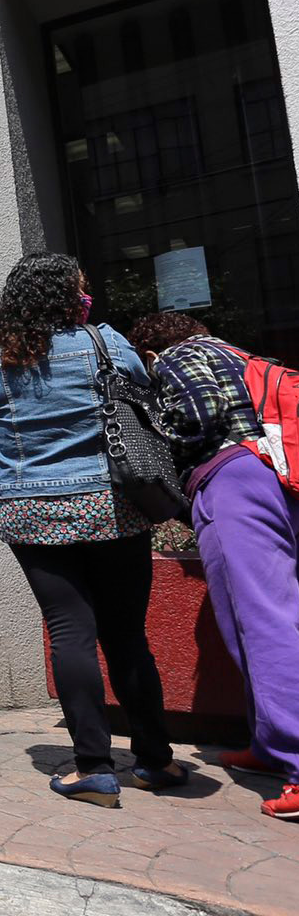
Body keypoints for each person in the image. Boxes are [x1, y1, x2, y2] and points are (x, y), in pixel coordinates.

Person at [0, 254, 181, 806]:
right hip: (112, 505)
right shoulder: (104, 342)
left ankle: (93, 766)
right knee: (126, 633)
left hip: (30, 508)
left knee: (69, 631)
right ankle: (155, 761)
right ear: (70, 295)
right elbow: (142, 397)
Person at [131, 311, 299, 822]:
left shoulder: (181, 357)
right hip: (273, 477)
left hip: (234, 481)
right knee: (262, 616)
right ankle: (270, 743)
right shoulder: (241, 356)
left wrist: (155, 438)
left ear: (150, 351)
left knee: (263, 621)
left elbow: (197, 416)